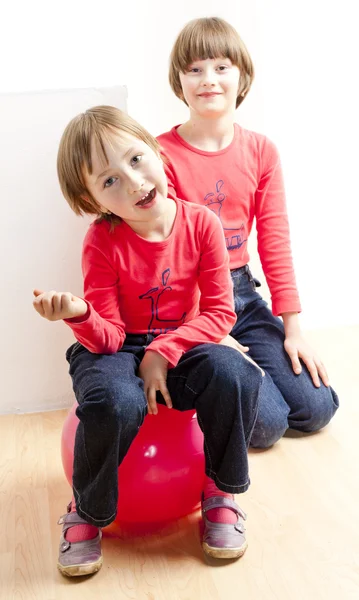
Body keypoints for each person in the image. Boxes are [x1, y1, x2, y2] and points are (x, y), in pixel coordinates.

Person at [33, 105, 263, 577]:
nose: (133, 182)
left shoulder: (202, 224)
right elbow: (111, 336)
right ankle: (87, 510)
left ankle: (220, 491)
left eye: (136, 161)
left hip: (181, 342)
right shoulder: (102, 240)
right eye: (109, 181)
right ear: (92, 199)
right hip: (117, 347)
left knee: (236, 373)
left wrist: (163, 350)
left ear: (157, 153)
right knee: (114, 400)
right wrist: (79, 314)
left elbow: (221, 312)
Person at [157, 16, 339, 450]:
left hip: (242, 291)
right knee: (269, 425)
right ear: (178, 81)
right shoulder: (161, 154)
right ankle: (198, 384)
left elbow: (275, 240)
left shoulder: (261, 151)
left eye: (221, 67)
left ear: (242, 77)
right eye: (195, 69)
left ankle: (228, 382)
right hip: (192, 301)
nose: (208, 80)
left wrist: (292, 328)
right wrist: (212, 332)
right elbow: (169, 255)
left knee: (316, 409)